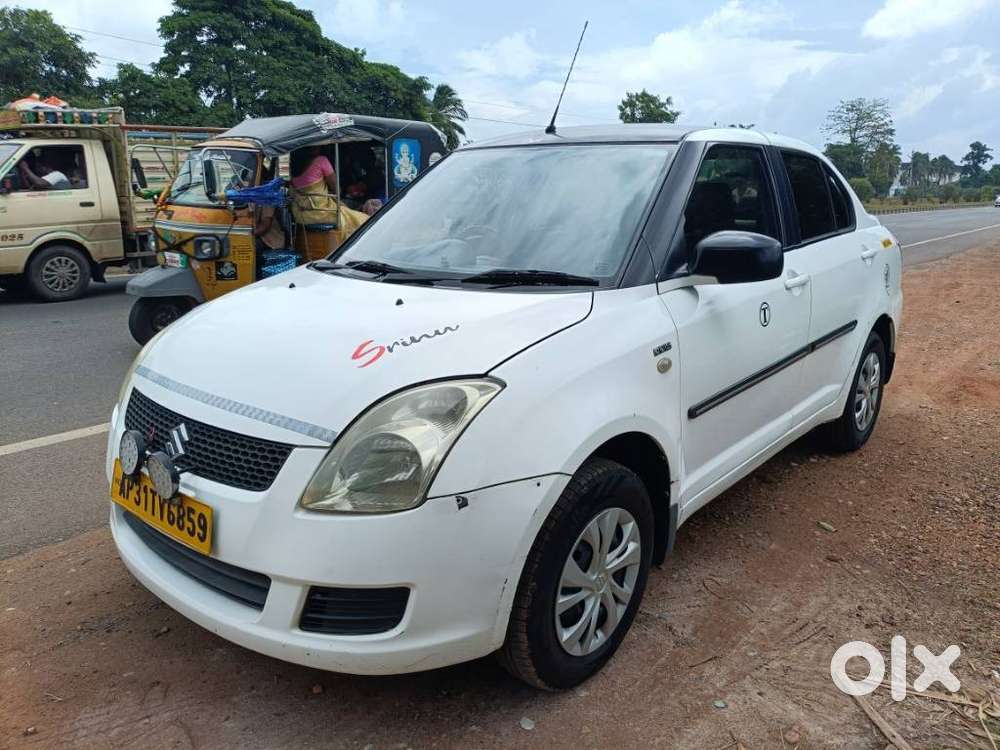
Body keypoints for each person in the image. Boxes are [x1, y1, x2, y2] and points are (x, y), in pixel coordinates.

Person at [289, 147, 338, 225]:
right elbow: (337, 189)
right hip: (322, 213)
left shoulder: (289, 166)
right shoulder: (321, 160)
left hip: (299, 215)